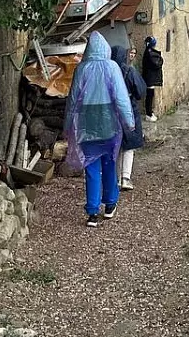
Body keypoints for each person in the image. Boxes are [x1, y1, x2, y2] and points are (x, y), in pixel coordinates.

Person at [63, 31, 135, 227]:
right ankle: (110, 204)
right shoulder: (112, 67)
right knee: (109, 164)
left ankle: (93, 212)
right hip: (108, 123)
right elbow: (121, 97)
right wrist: (129, 121)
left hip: (87, 124)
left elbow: (72, 100)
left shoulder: (81, 69)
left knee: (91, 168)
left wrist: (67, 126)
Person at [111, 44, 146, 191]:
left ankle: (117, 178)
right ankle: (126, 178)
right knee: (129, 145)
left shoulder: (108, 72)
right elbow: (140, 91)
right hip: (129, 109)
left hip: (112, 110)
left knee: (117, 145)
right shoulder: (129, 71)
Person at [142, 36, 164, 121]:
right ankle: (149, 114)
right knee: (150, 96)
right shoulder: (150, 53)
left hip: (149, 77)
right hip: (150, 78)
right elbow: (157, 63)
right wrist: (161, 59)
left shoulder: (148, 52)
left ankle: (150, 112)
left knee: (150, 95)